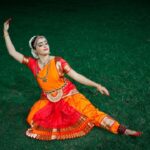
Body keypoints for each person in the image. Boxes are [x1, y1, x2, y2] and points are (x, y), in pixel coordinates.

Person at [3, 18, 142, 141]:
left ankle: (122, 129)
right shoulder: (32, 64)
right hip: (48, 99)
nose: (45, 45)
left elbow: (76, 76)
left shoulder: (58, 61)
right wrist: (6, 32)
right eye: (40, 44)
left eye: (46, 42)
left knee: (91, 113)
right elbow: (12, 52)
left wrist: (97, 85)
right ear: (35, 50)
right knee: (32, 116)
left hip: (69, 94)